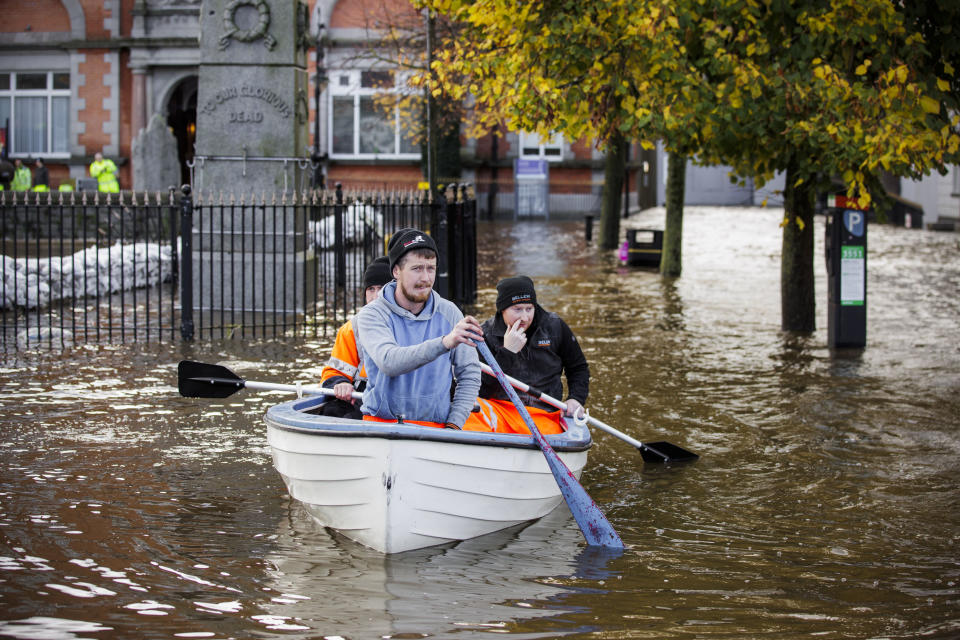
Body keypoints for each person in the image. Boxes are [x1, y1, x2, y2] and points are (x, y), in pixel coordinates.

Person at [354, 228, 484, 429]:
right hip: (381, 427)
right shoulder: (372, 314)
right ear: (396, 271)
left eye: (430, 268)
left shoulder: (450, 312)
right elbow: (389, 362)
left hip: (436, 429)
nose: (425, 278)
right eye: (417, 269)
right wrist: (444, 343)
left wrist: (454, 425)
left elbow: (470, 373)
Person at [477, 275, 589, 434]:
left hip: (546, 412)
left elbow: (578, 368)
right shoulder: (485, 336)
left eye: (529, 309)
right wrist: (507, 352)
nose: (524, 317)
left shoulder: (555, 327)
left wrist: (576, 398)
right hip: (502, 413)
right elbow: (480, 390)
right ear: (502, 309)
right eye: (517, 309)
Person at [319, 256, 392, 419]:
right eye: (370, 289)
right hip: (362, 395)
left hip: (397, 397)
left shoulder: (411, 323)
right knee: (332, 412)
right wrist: (341, 383)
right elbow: (334, 371)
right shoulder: (351, 329)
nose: (375, 296)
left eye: (381, 288)